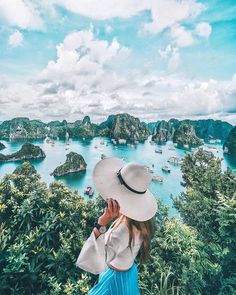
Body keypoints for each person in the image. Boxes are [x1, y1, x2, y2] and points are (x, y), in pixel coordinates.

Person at [76, 157, 158, 295]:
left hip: (114, 280)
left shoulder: (123, 230)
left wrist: (102, 222)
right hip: (128, 274)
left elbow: (94, 262)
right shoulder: (142, 222)